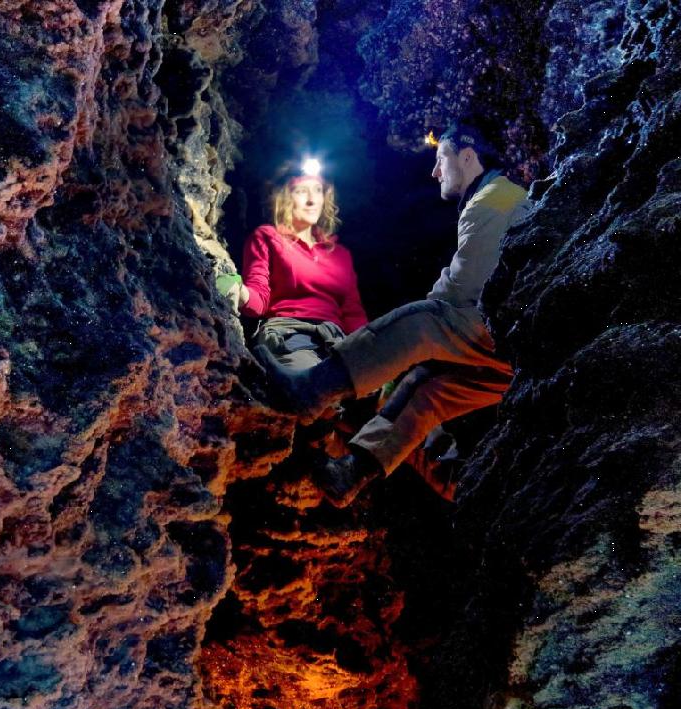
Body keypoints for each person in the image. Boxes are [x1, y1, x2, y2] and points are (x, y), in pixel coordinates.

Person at [255, 124, 531, 505]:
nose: (435, 172)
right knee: (424, 389)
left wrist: (385, 352)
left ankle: (309, 391)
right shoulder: (493, 200)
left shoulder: (495, 199)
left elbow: (467, 287)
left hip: (504, 330)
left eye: (441, 159)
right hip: (516, 354)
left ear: (467, 157)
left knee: (420, 323)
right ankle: (351, 473)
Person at [224, 161, 368, 368]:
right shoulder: (267, 237)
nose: (312, 200)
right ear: (284, 197)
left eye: (318, 191)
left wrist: (372, 353)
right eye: (302, 191)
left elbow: (353, 313)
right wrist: (239, 292)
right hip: (289, 334)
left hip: (338, 341)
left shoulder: (340, 254)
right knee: (315, 387)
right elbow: (259, 298)